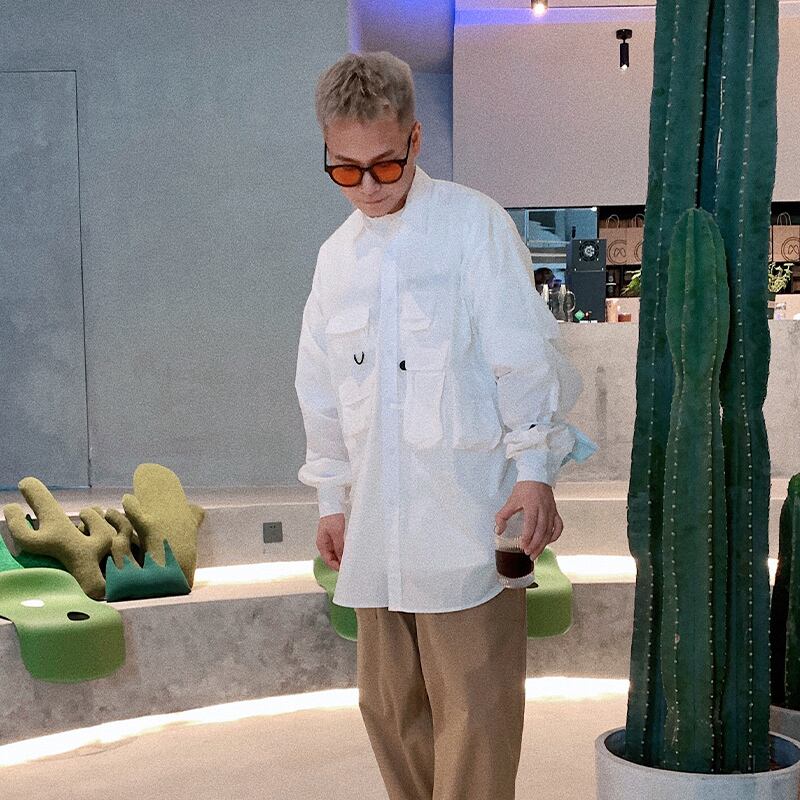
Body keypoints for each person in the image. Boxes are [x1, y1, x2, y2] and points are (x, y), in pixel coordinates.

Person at [295, 51, 594, 800]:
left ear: (415, 139)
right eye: (345, 169)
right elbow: (321, 389)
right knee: (389, 712)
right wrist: (330, 500)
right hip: (377, 532)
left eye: (386, 165)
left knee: (475, 715)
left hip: (467, 522)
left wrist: (536, 471)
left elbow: (521, 356)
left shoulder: (472, 225)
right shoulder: (336, 259)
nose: (368, 186)